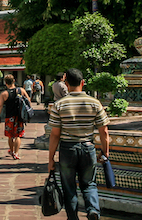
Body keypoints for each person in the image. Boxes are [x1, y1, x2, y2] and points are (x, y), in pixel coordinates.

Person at [47, 68, 110, 220]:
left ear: (66, 84)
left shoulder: (59, 104)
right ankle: (93, 210)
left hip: (67, 148)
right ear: (83, 82)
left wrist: (51, 159)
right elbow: (104, 131)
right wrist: (105, 151)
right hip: (88, 147)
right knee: (89, 184)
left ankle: (73, 217)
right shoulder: (94, 103)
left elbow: (55, 134)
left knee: (69, 188)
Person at [0, 74, 31, 160]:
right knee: (18, 135)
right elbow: (28, 100)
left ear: (5, 83)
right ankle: (16, 152)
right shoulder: (21, 90)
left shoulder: (4, 94)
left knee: (10, 136)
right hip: (19, 116)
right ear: (14, 81)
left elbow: (0, 106)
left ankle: (11, 150)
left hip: (9, 117)